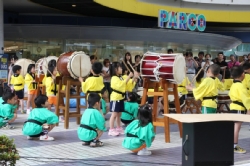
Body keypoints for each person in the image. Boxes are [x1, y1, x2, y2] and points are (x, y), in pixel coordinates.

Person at [109, 62, 136, 136]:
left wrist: (134, 78)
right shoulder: (114, 78)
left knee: (119, 114)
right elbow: (121, 85)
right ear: (115, 70)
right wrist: (128, 77)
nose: (121, 69)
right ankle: (111, 129)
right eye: (119, 67)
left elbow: (128, 84)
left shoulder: (121, 77)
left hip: (121, 98)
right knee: (114, 114)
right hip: (115, 98)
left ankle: (118, 127)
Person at [229, 66, 250, 154]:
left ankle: (233, 145)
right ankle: (234, 146)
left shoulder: (234, 84)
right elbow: (245, 99)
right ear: (242, 74)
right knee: (236, 128)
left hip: (234, 107)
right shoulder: (240, 86)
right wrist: (249, 109)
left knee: (236, 127)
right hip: (238, 108)